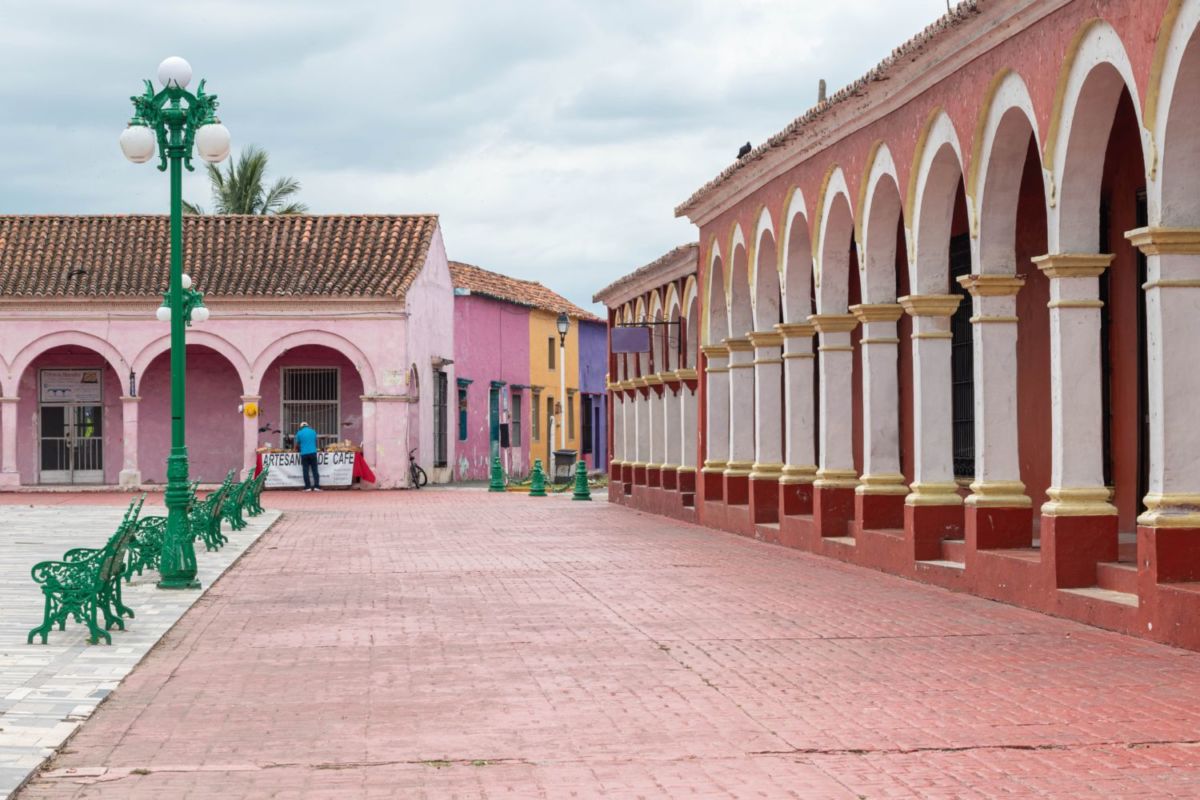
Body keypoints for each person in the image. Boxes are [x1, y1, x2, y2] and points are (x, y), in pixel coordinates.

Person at [295, 421, 321, 492]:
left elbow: (297, 444)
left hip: (304, 454)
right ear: (307, 426)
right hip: (313, 452)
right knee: (315, 470)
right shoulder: (313, 432)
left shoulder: (299, 433)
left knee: (305, 470)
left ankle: (307, 487)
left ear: (301, 427)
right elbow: (315, 442)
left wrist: (296, 449)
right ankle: (317, 486)